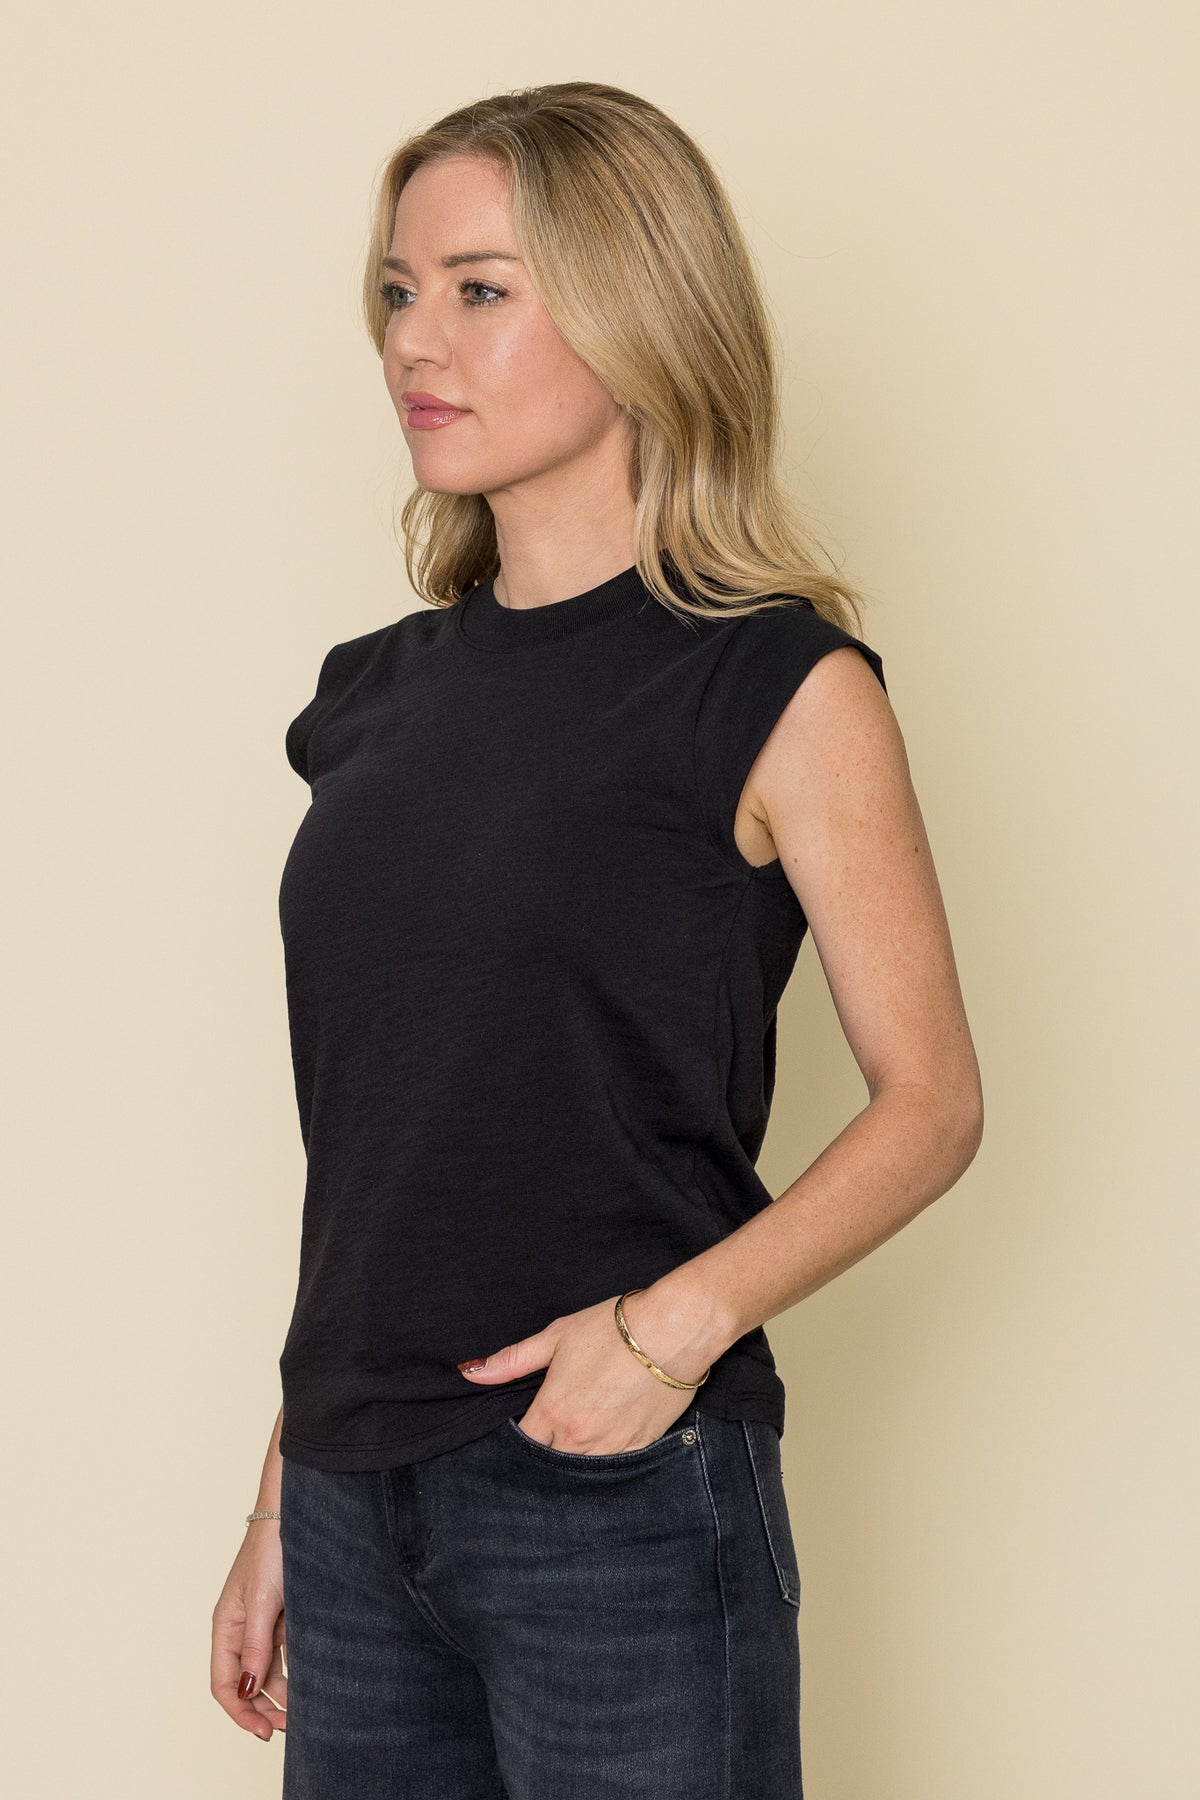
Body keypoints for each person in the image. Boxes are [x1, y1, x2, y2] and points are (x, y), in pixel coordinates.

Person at [210, 80, 983, 1799]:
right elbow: (397, 1137)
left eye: (480, 288)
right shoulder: (372, 701)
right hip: (350, 1504)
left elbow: (933, 1101)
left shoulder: (775, 685)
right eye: (398, 291)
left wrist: (662, 1338)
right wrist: (279, 1498)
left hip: (612, 1489)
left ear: (641, 318)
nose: (415, 340)